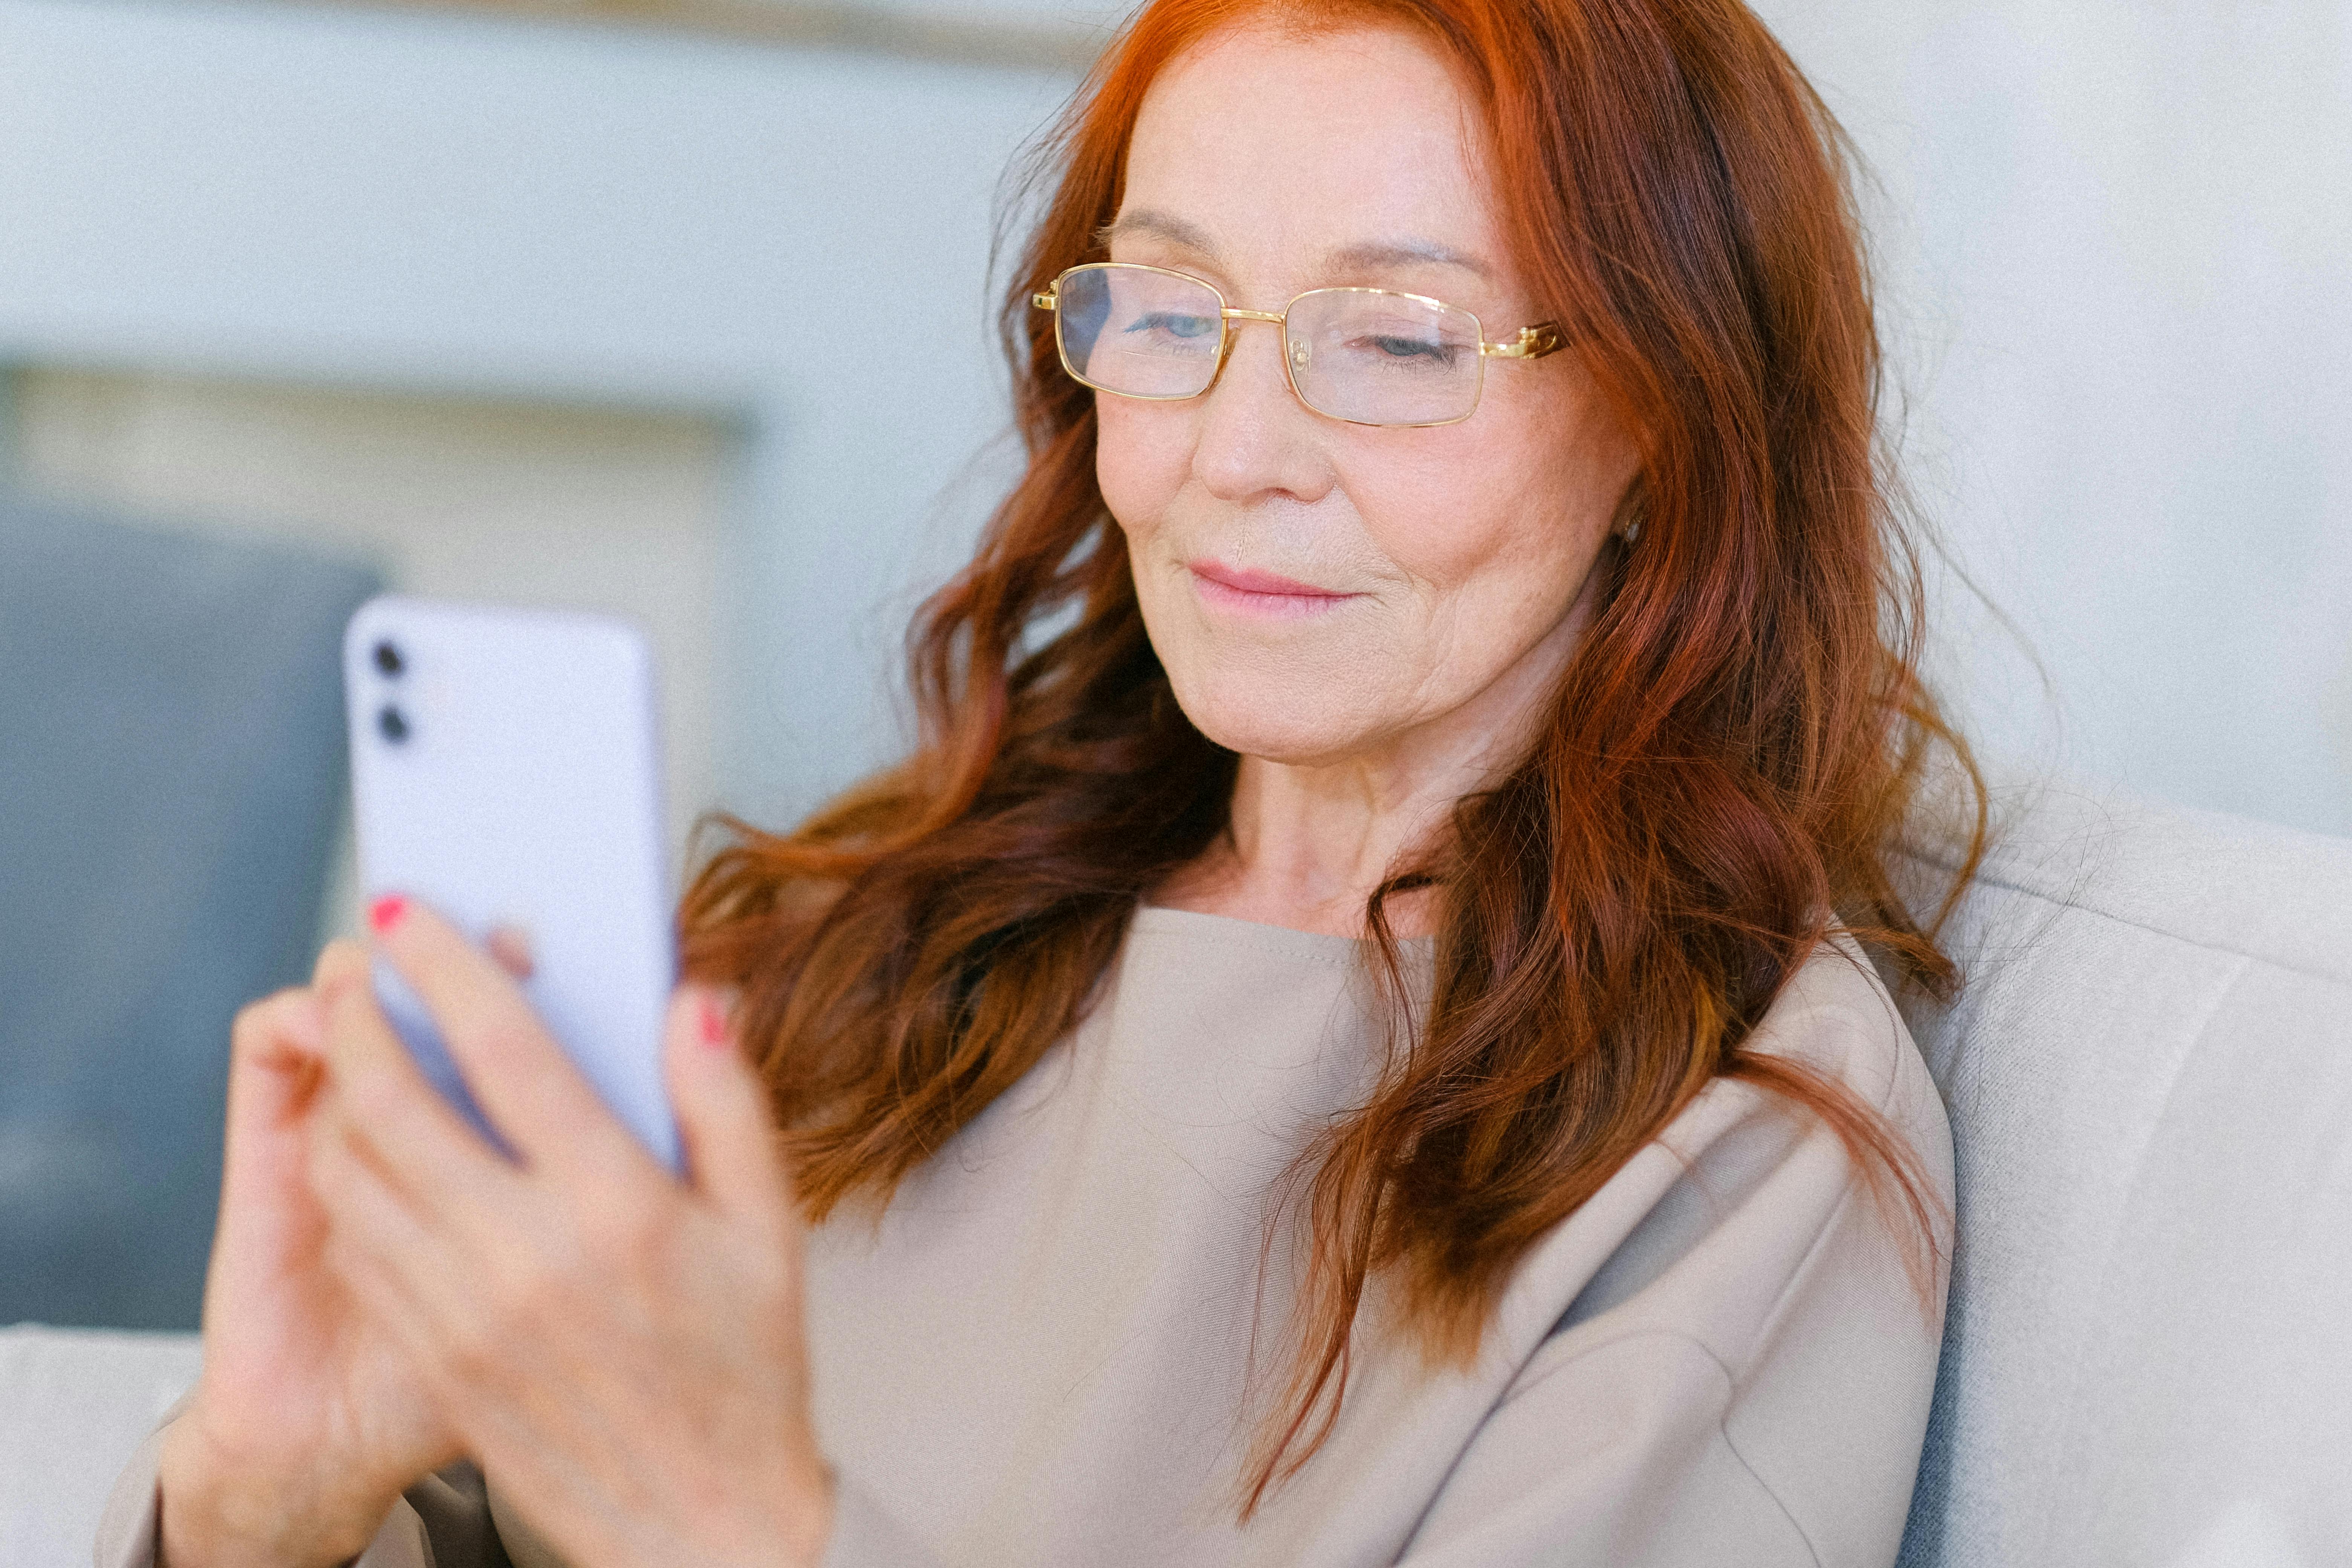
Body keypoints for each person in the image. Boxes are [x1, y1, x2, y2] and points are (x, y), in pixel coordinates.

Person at [101, 0, 1985, 1562]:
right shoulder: (881, 939)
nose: (1234, 449)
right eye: (1166, 314)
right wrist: (254, 1505)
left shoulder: (1736, 1140)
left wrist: (736, 1522)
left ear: (1673, 413)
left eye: (1400, 341)